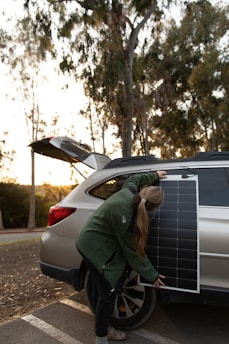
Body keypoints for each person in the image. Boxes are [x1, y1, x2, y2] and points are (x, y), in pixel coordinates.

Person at [76, 170, 167, 344]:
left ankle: (100, 323)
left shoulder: (129, 191)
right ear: (151, 209)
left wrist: (154, 175)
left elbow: (135, 178)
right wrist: (152, 275)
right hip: (92, 246)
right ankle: (102, 336)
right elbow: (132, 253)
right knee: (108, 292)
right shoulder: (125, 217)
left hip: (92, 238)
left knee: (99, 285)